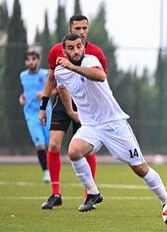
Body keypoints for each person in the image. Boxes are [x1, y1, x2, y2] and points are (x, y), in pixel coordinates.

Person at [54, 33, 167, 212]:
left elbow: (100, 76)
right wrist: (70, 111)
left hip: (114, 124)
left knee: (139, 168)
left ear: (83, 46)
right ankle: (93, 193)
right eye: (71, 48)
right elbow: (61, 87)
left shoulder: (90, 60)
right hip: (91, 126)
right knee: (74, 151)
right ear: (64, 51)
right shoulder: (60, 71)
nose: (76, 50)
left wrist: (72, 67)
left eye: (79, 46)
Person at [39, 14, 107, 210]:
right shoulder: (56, 52)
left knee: (87, 149)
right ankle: (55, 193)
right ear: (70, 31)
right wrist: (43, 107)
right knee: (53, 145)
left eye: (85, 28)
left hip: (86, 105)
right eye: (77, 29)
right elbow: (52, 79)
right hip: (62, 100)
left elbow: (102, 84)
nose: (82, 32)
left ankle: (90, 195)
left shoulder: (96, 54)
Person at [19, 51, 52, 183]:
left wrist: (45, 94)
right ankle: (46, 173)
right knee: (40, 145)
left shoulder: (45, 74)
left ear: (38, 60)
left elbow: (56, 89)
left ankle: (53, 171)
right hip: (31, 114)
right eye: (28, 60)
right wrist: (21, 97)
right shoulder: (22, 76)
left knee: (51, 145)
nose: (30, 62)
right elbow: (25, 92)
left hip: (46, 113)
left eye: (33, 59)